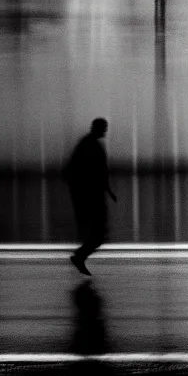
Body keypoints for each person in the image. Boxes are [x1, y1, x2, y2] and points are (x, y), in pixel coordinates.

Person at [62, 118, 117, 276]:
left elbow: (96, 170)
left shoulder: (87, 144)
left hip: (92, 194)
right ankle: (80, 256)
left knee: (98, 233)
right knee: (99, 233)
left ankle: (80, 256)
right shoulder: (90, 145)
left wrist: (108, 190)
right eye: (104, 128)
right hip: (92, 195)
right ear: (97, 128)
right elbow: (92, 171)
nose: (105, 131)